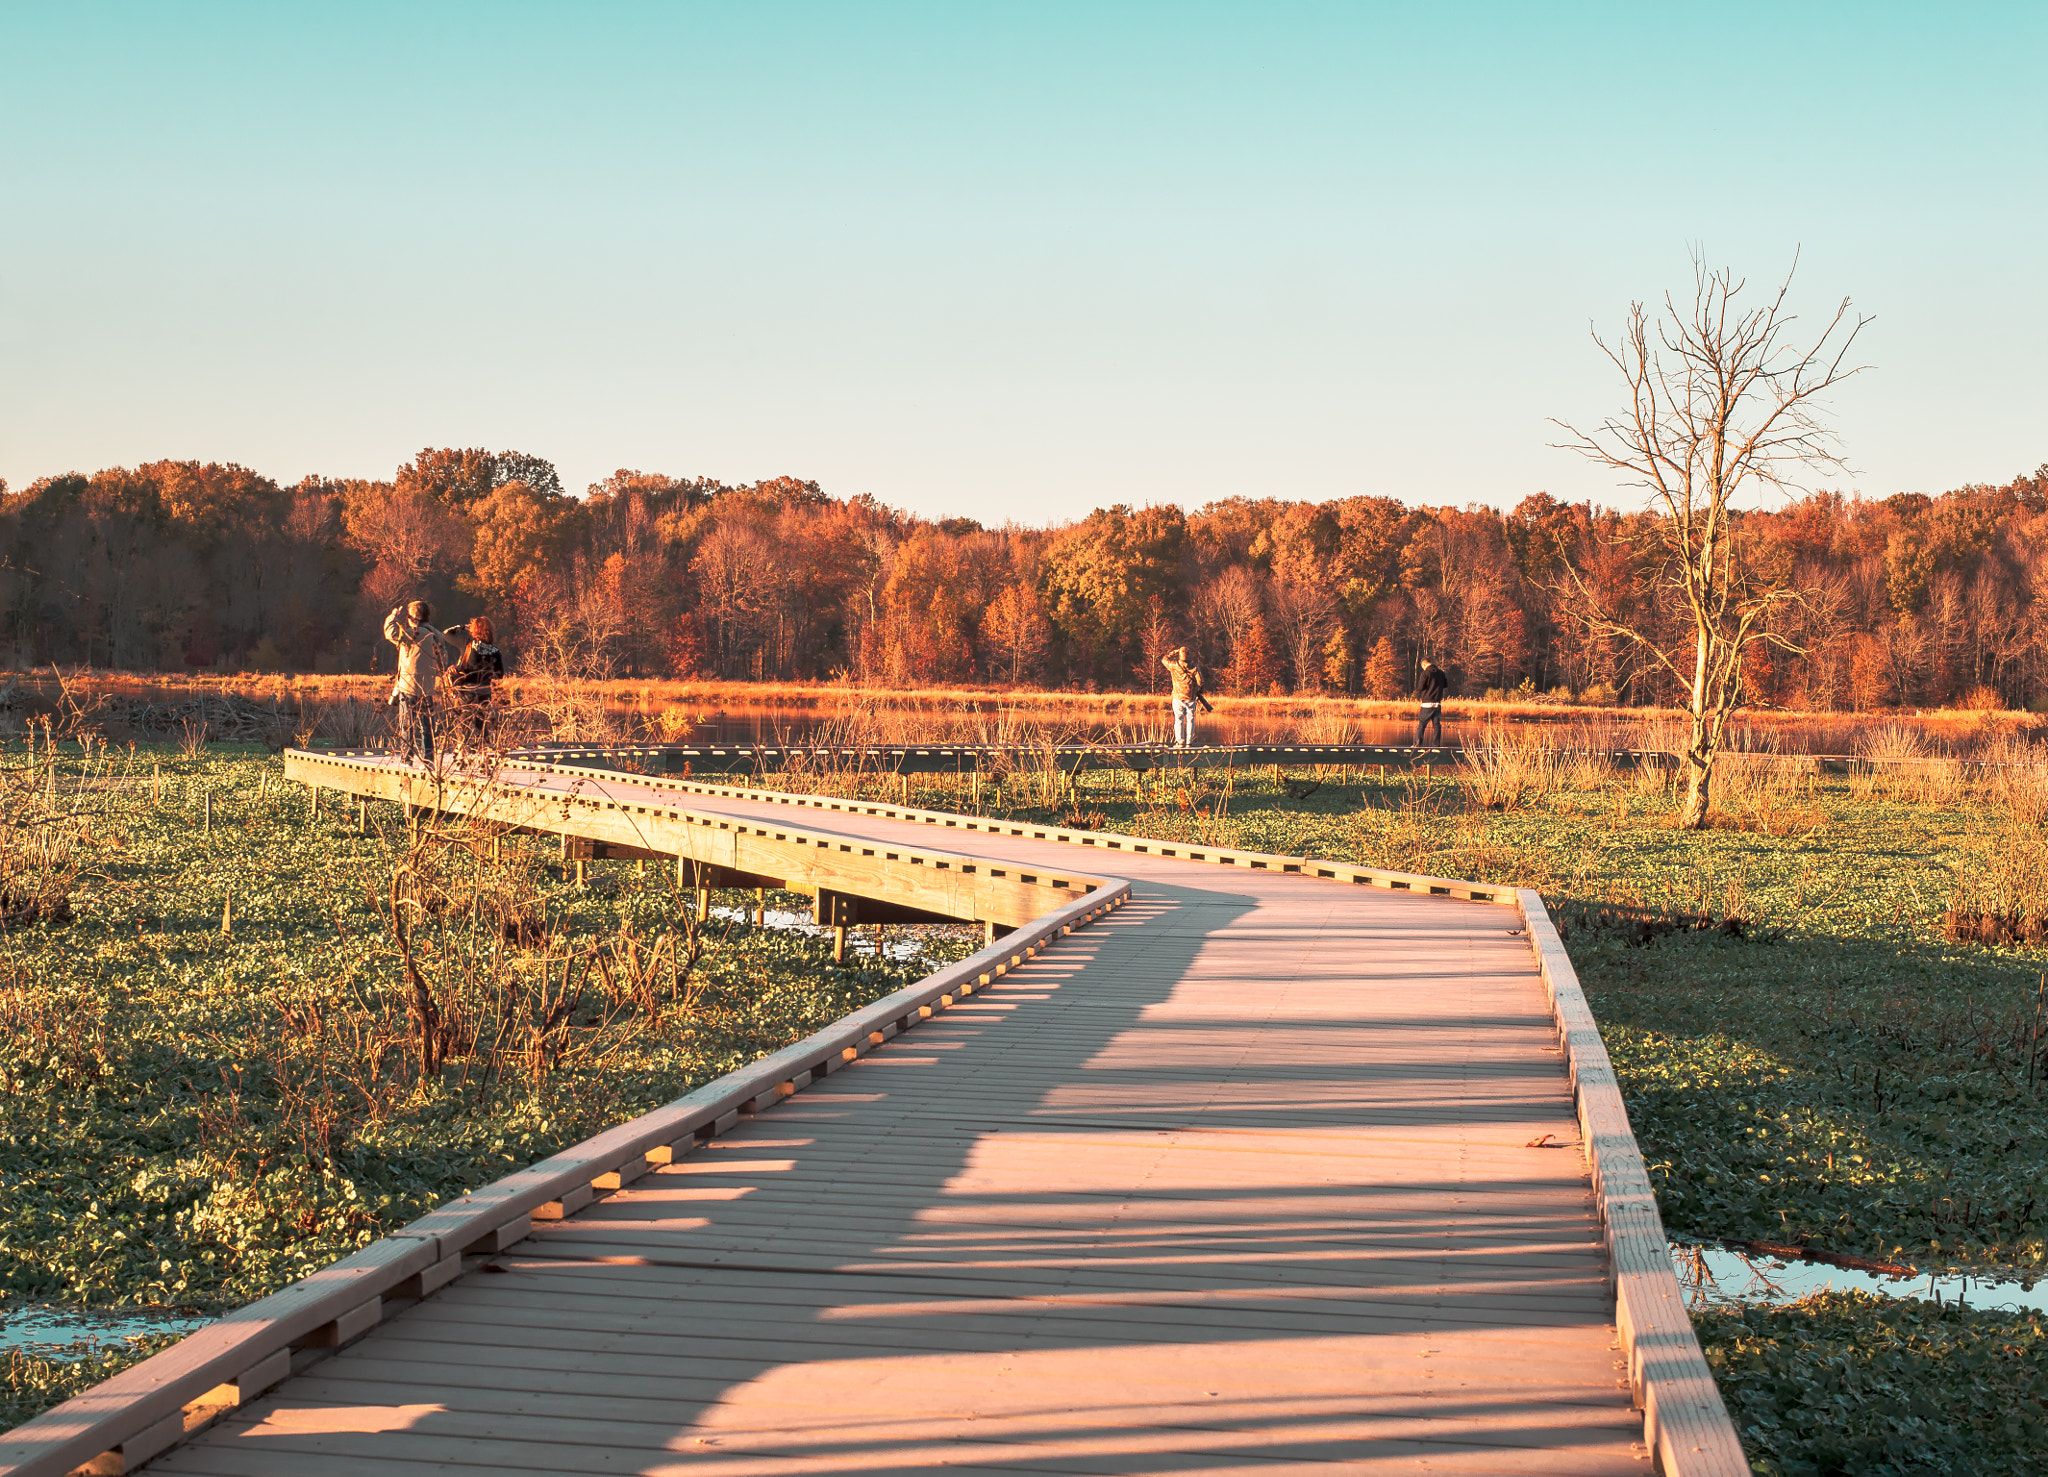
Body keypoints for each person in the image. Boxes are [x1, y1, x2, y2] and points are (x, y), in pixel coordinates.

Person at [383, 600, 456, 765]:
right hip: (428, 687)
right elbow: (443, 660)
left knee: (406, 726)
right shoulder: (436, 636)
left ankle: (406, 760)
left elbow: (390, 632)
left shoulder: (411, 634)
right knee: (427, 725)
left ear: (414, 617)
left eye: (408, 616)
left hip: (408, 686)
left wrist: (393, 616)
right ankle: (429, 760)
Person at [447, 616, 504, 744]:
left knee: (464, 724)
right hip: (484, 692)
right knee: (481, 724)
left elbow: (446, 634)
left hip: (466, 691)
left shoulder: (468, 644)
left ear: (474, 630)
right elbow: (499, 674)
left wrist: (461, 627)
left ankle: (463, 751)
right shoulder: (495, 651)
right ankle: (481, 752)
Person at [1162, 646, 1204, 748]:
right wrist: (1199, 691)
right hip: (1190, 697)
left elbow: (1164, 659)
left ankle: (1180, 743)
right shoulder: (1194, 666)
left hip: (1177, 697)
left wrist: (1174, 652)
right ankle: (1189, 743)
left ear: (1180, 654)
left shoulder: (1174, 665)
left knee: (1178, 719)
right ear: (1188, 654)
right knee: (1190, 720)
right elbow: (1201, 681)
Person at [1416, 656, 1449, 747]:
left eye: (1422, 666)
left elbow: (1421, 687)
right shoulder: (1441, 673)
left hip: (1427, 703)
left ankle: (1417, 744)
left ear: (1424, 664)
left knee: (1422, 724)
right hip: (1437, 703)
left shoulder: (1425, 673)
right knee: (1436, 725)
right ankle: (1436, 745)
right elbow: (1445, 685)